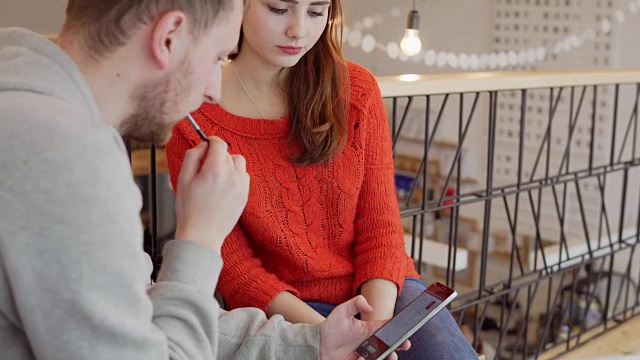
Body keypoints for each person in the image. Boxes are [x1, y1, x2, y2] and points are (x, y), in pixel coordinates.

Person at [0, 0, 410, 359]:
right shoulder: (66, 163)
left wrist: (312, 344)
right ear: (169, 37)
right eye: (218, 56)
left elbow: (141, 311)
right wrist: (199, 240)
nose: (214, 90)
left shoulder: (32, 86)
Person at [166, 0, 478, 359]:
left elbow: (381, 227)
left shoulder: (356, 91)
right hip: (287, 309)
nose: (299, 30)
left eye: (316, 12)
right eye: (278, 9)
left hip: (384, 289)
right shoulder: (195, 117)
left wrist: (371, 337)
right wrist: (325, 338)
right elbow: (236, 269)